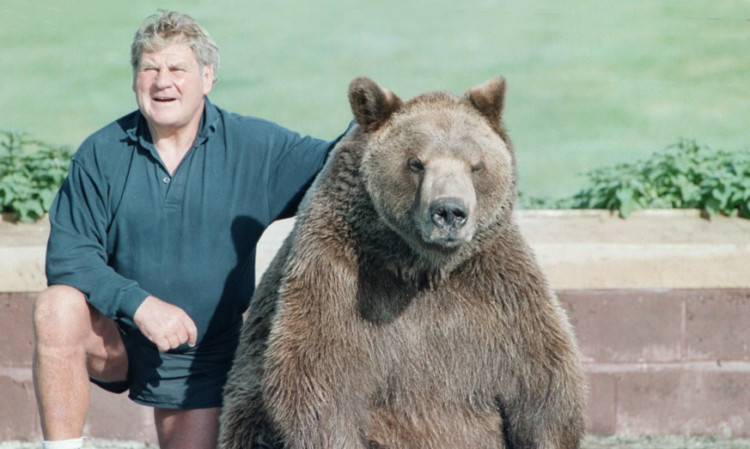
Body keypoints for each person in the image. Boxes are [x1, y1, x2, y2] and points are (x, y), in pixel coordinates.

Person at [32, 10, 346, 449]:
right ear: (135, 78)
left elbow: (341, 159)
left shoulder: (255, 147)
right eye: (150, 68)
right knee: (57, 307)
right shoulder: (100, 153)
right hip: (117, 339)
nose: (163, 81)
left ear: (207, 77)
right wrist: (139, 305)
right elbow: (69, 257)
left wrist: (393, 120)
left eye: (177, 68)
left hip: (204, 355)